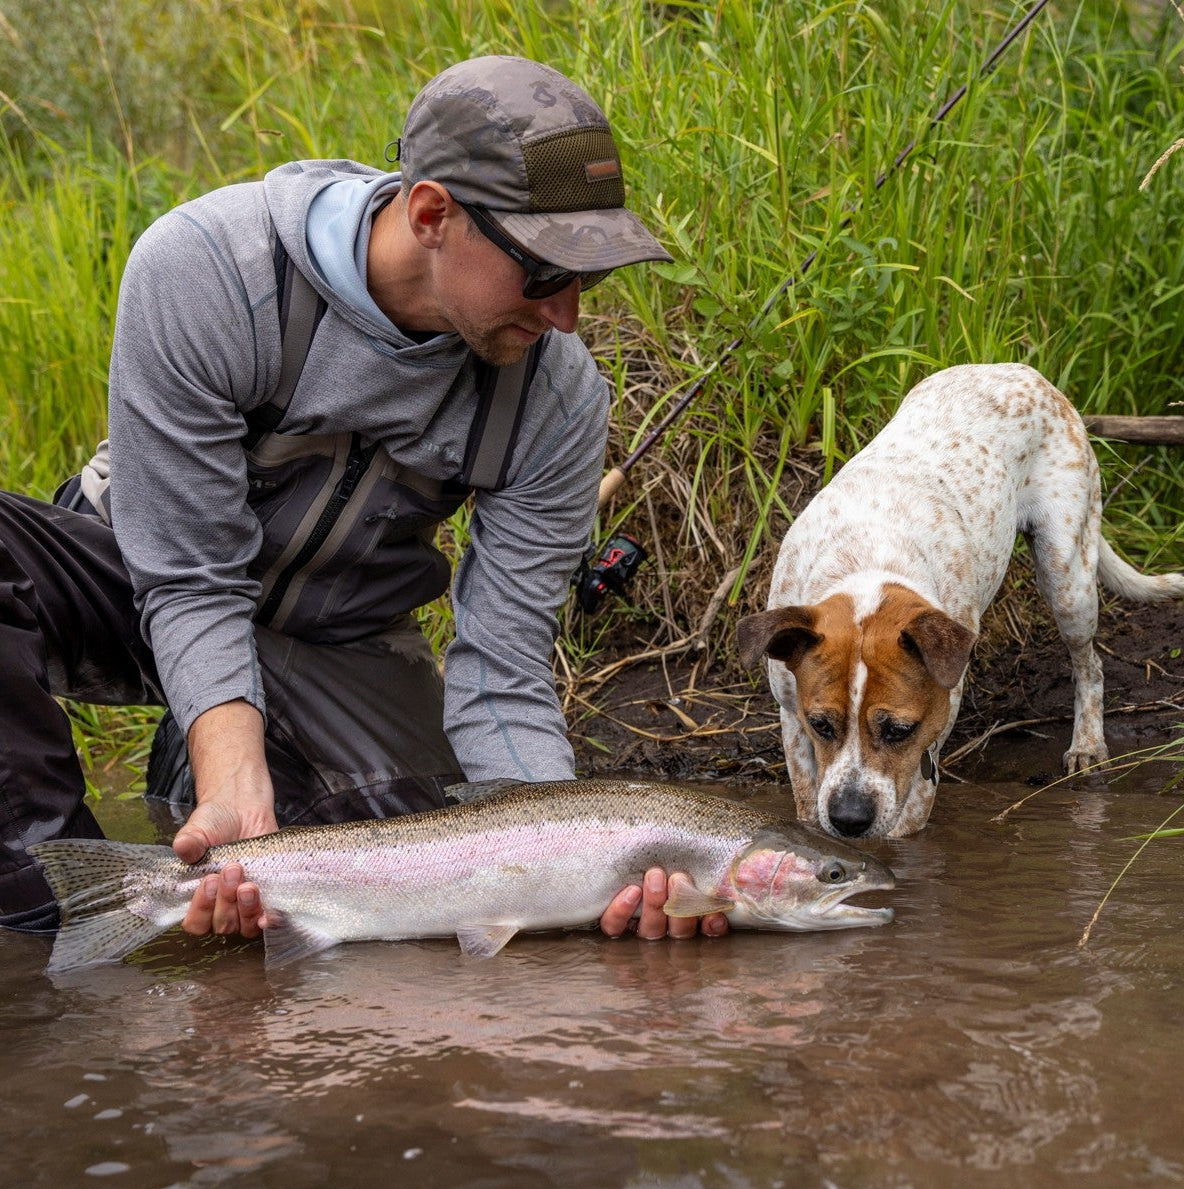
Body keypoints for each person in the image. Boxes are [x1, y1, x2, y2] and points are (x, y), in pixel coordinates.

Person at [0, 54, 727, 945]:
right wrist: (232, 770)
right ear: (431, 214)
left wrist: (569, 858)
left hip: (337, 645)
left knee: (415, 890)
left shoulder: (560, 401)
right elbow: (190, 580)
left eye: (593, 276)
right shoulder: (209, 269)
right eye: (545, 272)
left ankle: (198, 800)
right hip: (131, 583)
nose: (568, 315)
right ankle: (46, 915)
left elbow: (503, 666)